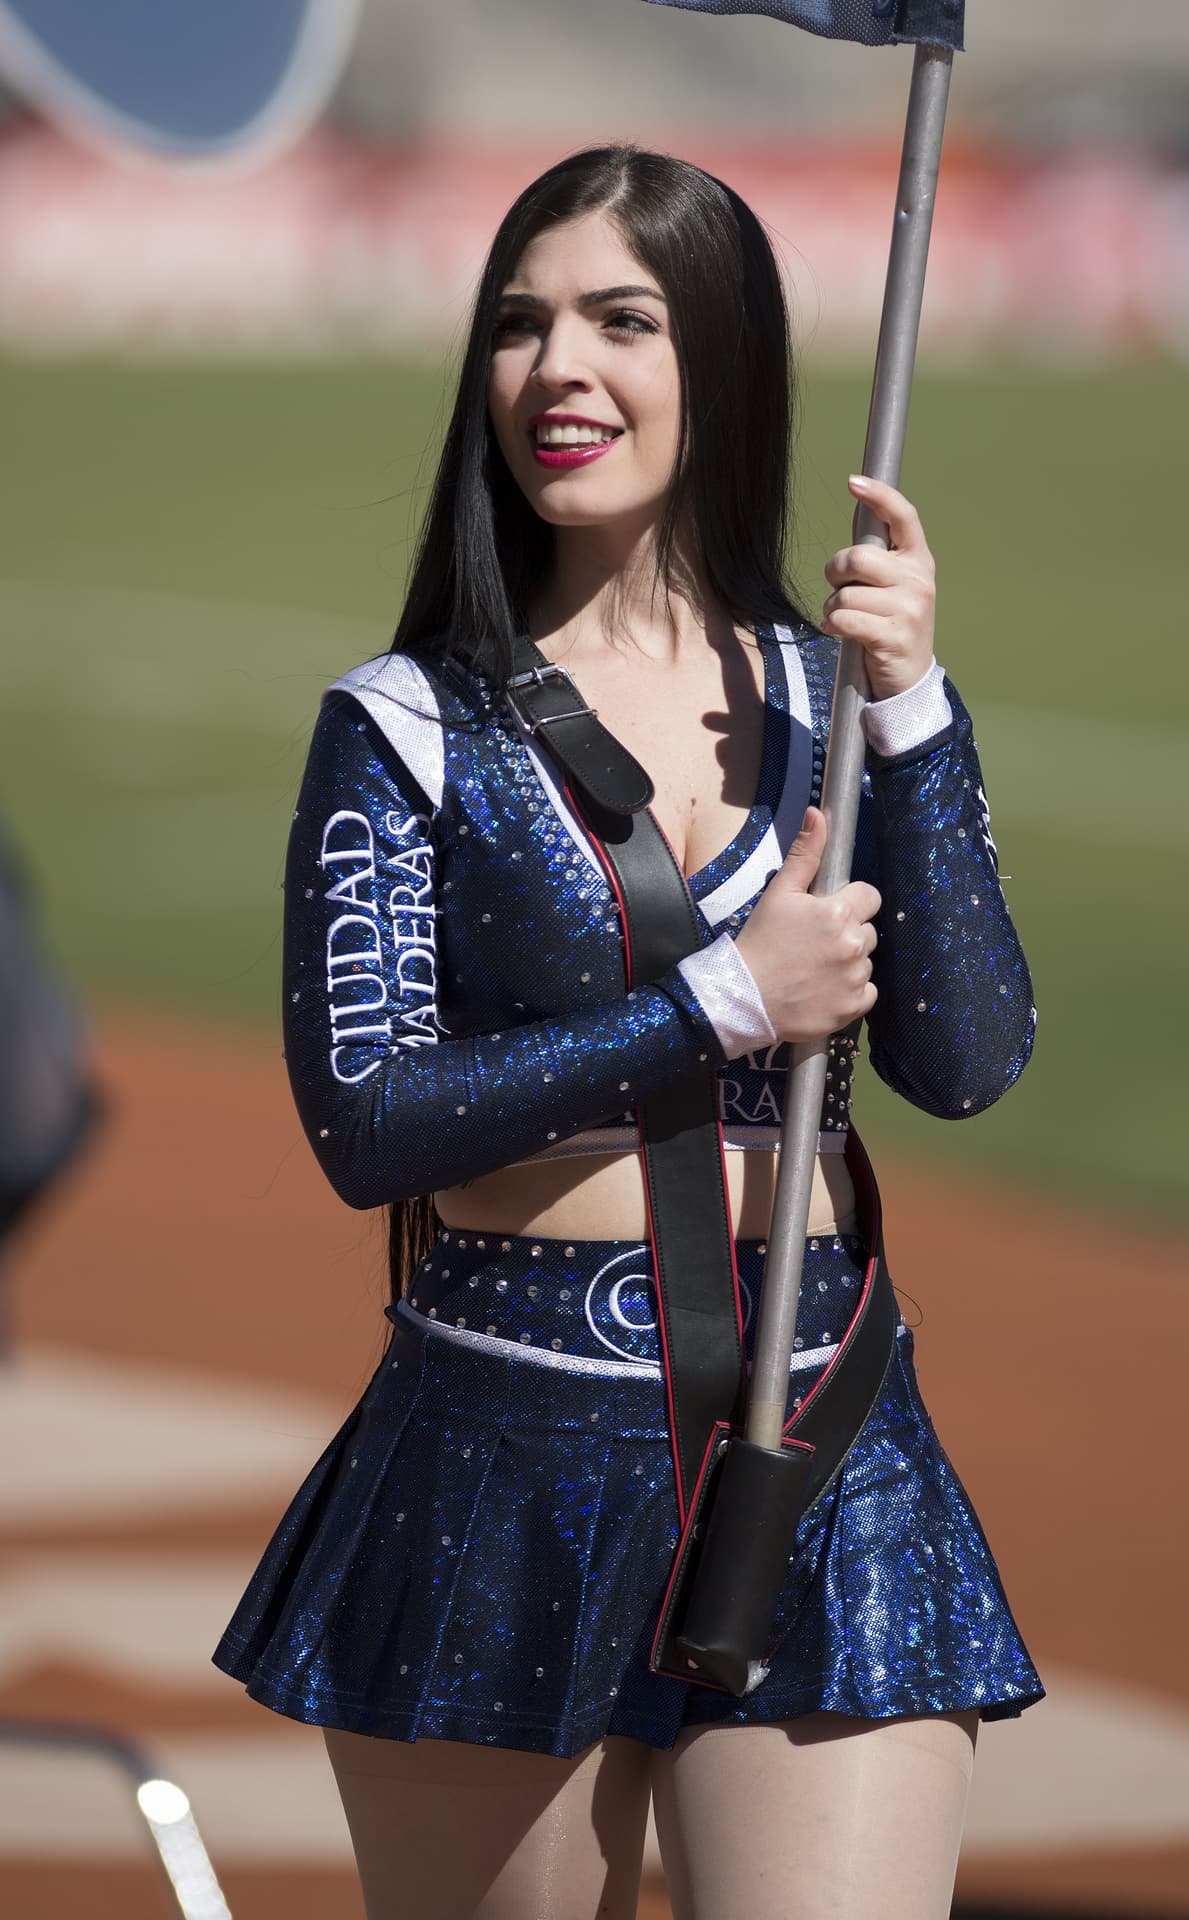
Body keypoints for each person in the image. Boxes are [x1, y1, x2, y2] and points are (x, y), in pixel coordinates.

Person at [213, 145, 1044, 1919]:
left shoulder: (831, 701)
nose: (556, 370)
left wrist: (917, 717)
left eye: (621, 320)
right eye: (518, 326)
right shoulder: (405, 726)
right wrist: (725, 1001)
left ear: (721, 361)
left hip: (818, 1428)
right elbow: (368, 1121)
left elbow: (966, 1063)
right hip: (499, 1452)